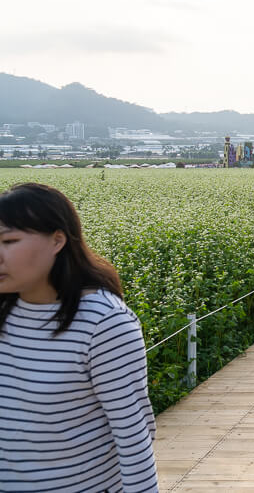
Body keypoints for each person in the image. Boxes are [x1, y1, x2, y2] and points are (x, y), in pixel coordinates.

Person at [0, 183, 159, 492]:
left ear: (57, 240)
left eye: (8, 241)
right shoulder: (6, 309)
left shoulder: (103, 323)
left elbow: (132, 437)